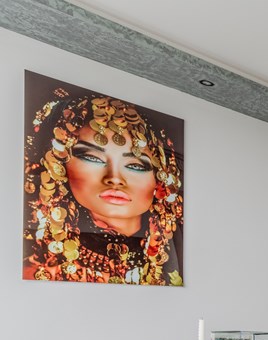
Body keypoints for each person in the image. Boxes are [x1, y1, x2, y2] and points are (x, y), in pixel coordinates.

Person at [23, 84, 183, 285]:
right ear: (61, 165)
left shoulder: (176, 251)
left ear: (161, 178)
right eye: (93, 158)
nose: (114, 178)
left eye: (135, 165)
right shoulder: (39, 269)